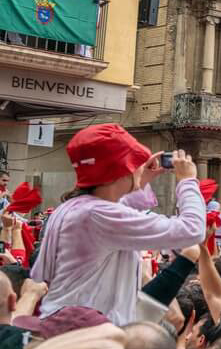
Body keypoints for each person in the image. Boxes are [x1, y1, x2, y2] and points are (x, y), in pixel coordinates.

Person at [29, 124, 204, 325]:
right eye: (135, 162)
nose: (140, 167)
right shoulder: (99, 215)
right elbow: (192, 229)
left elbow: (119, 204)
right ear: (122, 169)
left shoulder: (75, 208)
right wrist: (188, 181)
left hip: (69, 325)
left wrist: (141, 177)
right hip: (86, 335)